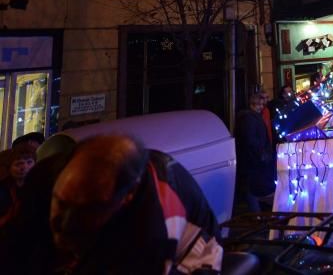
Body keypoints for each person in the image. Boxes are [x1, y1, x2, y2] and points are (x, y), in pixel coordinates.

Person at [0, 134, 222, 274]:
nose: (64, 222)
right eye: (61, 201)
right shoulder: (45, 178)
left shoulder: (156, 219)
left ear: (125, 198)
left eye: (88, 208)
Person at [234, 92, 276, 212]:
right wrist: (261, 153)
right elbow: (251, 140)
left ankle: (257, 214)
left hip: (254, 159)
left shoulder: (252, 117)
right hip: (254, 160)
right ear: (252, 105)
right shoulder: (249, 119)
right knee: (253, 188)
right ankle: (257, 215)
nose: (260, 107)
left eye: (262, 105)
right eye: (258, 105)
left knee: (252, 188)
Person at [0, 142, 36, 224]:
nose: (24, 167)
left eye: (29, 162)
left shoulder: (37, 187)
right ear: (9, 168)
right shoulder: (3, 191)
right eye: (18, 164)